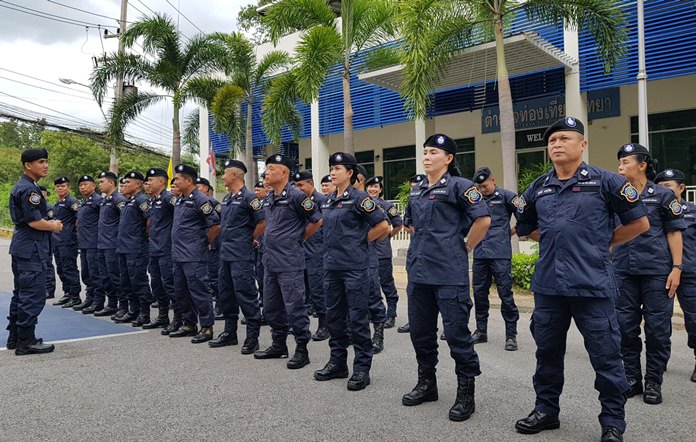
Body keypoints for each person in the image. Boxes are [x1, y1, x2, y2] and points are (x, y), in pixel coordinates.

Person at [514, 118, 649, 442]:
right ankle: (546, 411)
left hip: (593, 285)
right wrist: (550, 239)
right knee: (546, 354)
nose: (557, 144)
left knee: (606, 357)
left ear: (582, 145)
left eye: (564, 138)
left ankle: (612, 423)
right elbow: (523, 222)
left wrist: (604, 242)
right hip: (549, 286)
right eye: (552, 141)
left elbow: (640, 223)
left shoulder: (606, 182)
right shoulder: (538, 186)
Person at [400, 134, 490, 422]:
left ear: (449, 158)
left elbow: (483, 219)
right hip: (419, 273)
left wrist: (465, 247)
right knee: (421, 334)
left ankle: (466, 392)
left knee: (456, 335)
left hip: (449, 274)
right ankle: (427, 384)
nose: (427, 156)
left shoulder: (461, 186)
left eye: (434, 152)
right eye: (425, 152)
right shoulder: (417, 189)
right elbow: (411, 225)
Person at [613, 144, 685, 405]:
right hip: (622, 270)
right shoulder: (616, 194)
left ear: (642, 165)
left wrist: (677, 268)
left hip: (657, 272)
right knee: (625, 328)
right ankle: (632, 378)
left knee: (657, 329)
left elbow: (674, 232)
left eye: (626, 162)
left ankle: (654, 380)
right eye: (619, 163)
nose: (620, 167)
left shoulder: (663, 196)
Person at [314, 152, 389, 390]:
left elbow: (383, 225)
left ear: (350, 173)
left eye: (338, 169)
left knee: (357, 319)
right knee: (335, 319)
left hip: (355, 268)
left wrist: (360, 241)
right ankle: (338, 363)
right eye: (331, 169)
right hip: (332, 267)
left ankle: (361, 369)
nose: (333, 172)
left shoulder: (361, 199)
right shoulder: (327, 200)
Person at [253, 154, 322, 370]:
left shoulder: (297, 196)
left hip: (290, 261)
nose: (266, 172)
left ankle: (302, 349)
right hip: (270, 261)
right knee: (272, 307)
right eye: (267, 169)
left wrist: (298, 238)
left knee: (295, 307)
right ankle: (279, 344)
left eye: (271, 169)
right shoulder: (269, 197)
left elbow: (317, 220)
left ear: (284, 172)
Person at [6, 148, 63, 355]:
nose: (45, 165)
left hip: (24, 247)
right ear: (28, 165)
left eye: (46, 161)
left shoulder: (27, 186)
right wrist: (53, 226)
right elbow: (33, 221)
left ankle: (15, 337)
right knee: (32, 295)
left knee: (21, 294)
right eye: (40, 162)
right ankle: (26, 341)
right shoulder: (29, 190)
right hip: (31, 249)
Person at [209, 159, 265, 353]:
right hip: (225, 254)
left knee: (246, 293)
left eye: (225, 173)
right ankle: (230, 333)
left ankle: (252, 337)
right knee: (226, 294)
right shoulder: (227, 198)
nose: (222, 176)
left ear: (235, 175)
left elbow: (262, 222)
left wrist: (249, 238)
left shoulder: (250, 198)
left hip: (241, 254)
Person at [168, 164, 221, 343]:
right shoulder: (180, 199)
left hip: (194, 254)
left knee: (199, 290)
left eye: (178, 179)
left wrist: (206, 241)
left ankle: (206, 327)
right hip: (178, 254)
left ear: (189, 180)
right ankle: (189, 323)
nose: (174, 182)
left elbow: (215, 224)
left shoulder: (200, 199)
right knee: (181, 291)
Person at [470, 167, 520, 350]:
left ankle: (511, 335)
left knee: (505, 295)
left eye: (484, 186)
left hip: (500, 254)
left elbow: (524, 214)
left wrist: (511, 232)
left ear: (493, 180)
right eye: (479, 187)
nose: (482, 190)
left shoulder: (507, 196)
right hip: (481, 254)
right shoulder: (476, 199)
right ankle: (481, 331)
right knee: (480, 294)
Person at [655, 168, 696, 383]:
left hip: (689, 274)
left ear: (681, 188)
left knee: (695, 319)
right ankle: (660, 361)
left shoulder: (693, 212)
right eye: (660, 188)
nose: (664, 192)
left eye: (668, 187)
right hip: (661, 273)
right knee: (660, 322)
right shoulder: (654, 212)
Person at [354, 166, 388, 353]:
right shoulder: (341, 199)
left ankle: (378, 334)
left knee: (373, 295)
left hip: (367, 256)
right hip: (346, 260)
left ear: (358, 180)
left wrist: (360, 241)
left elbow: (384, 228)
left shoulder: (367, 202)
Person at [294, 170, 330, 341]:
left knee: (318, 291)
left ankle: (324, 325)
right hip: (300, 251)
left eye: (301, 185)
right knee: (302, 292)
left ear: (310, 184)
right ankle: (301, 326)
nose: (298, 188)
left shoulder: (322, 201)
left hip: (317, 252)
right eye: (296, 185)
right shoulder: (297, 202)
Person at [366, 175, 403, 329]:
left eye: (376, 187)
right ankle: (371, 313)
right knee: (369, 284)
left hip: (382, 253)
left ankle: (391, 314)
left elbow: (398, 225)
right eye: (370, 187)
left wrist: (387, 236)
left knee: (386, 283)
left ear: (380, 190)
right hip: (367, 252)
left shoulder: (387, 206)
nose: (373, 189)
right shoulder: (363, 204)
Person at [116, 171, 152, 326]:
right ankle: (133, 310)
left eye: (128, 182)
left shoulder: (142, 200)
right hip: (123, 247)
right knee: (126, 281)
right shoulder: (127, 201)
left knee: (138, 280)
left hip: (136, 247)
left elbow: (149, 219)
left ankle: (145, 313)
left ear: (138, 184)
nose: (125, 185)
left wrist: (144, 236)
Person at [143, 168, 177, 331]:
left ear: (162, 181)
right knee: (156, 284)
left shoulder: (169, 198)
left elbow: (179, 218)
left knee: (169, 283)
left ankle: (179, 318)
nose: (148, 182)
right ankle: (163, 317)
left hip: (166, 248)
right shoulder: (153, 200)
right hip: (154, 248)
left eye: (151, 179)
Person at [397, 174, 426, 335]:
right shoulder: (412, 200)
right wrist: (416, 232)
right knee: (413, 288)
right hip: (415, 250)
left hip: (435, 252)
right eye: (413, 187)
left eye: (418, 186)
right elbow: (406, 223)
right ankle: (413, 320)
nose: (415, 190)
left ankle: (445, 326)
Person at [95, 172, 125, 318]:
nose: (99, 184)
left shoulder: (118, 199)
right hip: (102, 244)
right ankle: (111, 304)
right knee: (105, 277)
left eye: (102, 181)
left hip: (112, 244)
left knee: (115, 276)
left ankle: (122, 305)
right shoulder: (104, 200)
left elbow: (125, 220)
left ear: (111, 183)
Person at [74, 175, 104, 314]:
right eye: (80, 185)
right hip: (84, 243)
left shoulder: (98, 201)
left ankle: (98, 301)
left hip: (94, 243)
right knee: (86, 273)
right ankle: (89, 299)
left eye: (86, 184)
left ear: (93, 186)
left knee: (95, 274)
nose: (83, 187)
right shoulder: (83, 202)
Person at [51, 176, 82, 308]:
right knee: (61, 268)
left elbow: (80, 216)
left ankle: (75, 296)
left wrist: (73, 230)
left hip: (68, 241)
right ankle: (67, 293)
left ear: (68, 187)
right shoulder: (58, 202)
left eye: (63, 186)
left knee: (69, 268)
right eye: (58, 186)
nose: (60, 188)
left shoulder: (72, 201)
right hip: (57, 241)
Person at [196, 177, 222, 308]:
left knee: (214, 276)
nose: (196, 189)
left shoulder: (212, 203)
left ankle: (220, 304)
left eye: (199, 186)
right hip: (202, 244)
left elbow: (218, 224)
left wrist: (210, 240)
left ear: (206, 189)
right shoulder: (195, 201)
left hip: (213, 244)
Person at [253, 180, 268, 322]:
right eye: (255, 190)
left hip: (273, 249)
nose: (257, 193)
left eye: (259, 190)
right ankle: (264, 302)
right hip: (261, 247)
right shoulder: (260, 205)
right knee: (260, 277)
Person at [39, 185, 56, 300]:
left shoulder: (48, 207)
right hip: (39, 239)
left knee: (48, 264)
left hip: (48, 239)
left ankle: (49, 289)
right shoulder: (35, 207)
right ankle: (42, 288)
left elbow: (52, 224)